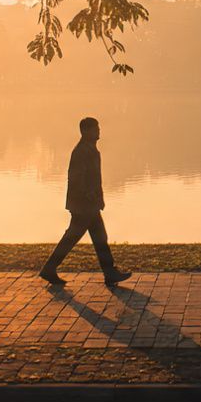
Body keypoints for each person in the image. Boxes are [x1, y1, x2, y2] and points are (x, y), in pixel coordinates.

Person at [39, 117, 132, 286]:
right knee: (80, 237)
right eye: (95, 128)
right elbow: (76, 178)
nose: (99, 131)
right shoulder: (82, 151)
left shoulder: (89, 149)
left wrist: (97, 198)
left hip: (88, 203)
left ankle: (108, 272)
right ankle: (108, 272)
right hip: (84, 205)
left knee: (96, 237)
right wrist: (89, 195)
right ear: (86, 131)